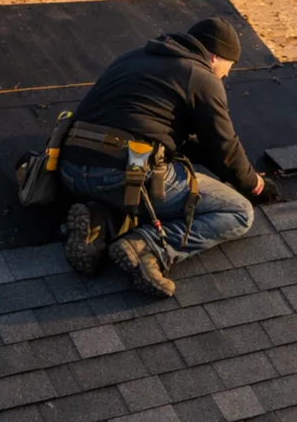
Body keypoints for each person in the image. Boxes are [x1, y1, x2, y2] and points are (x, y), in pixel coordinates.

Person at [58, 17, 278, 298]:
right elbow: (224, 146)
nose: (225, 76)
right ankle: (148, 246)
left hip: (71, 171)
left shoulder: (133, 57)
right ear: (214, 56)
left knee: (143, 178)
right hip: (121, 176)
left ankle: (99, 222)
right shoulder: (201, 77)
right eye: (229, 67)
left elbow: (154, 129)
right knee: (238, 211)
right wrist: (254, 185)